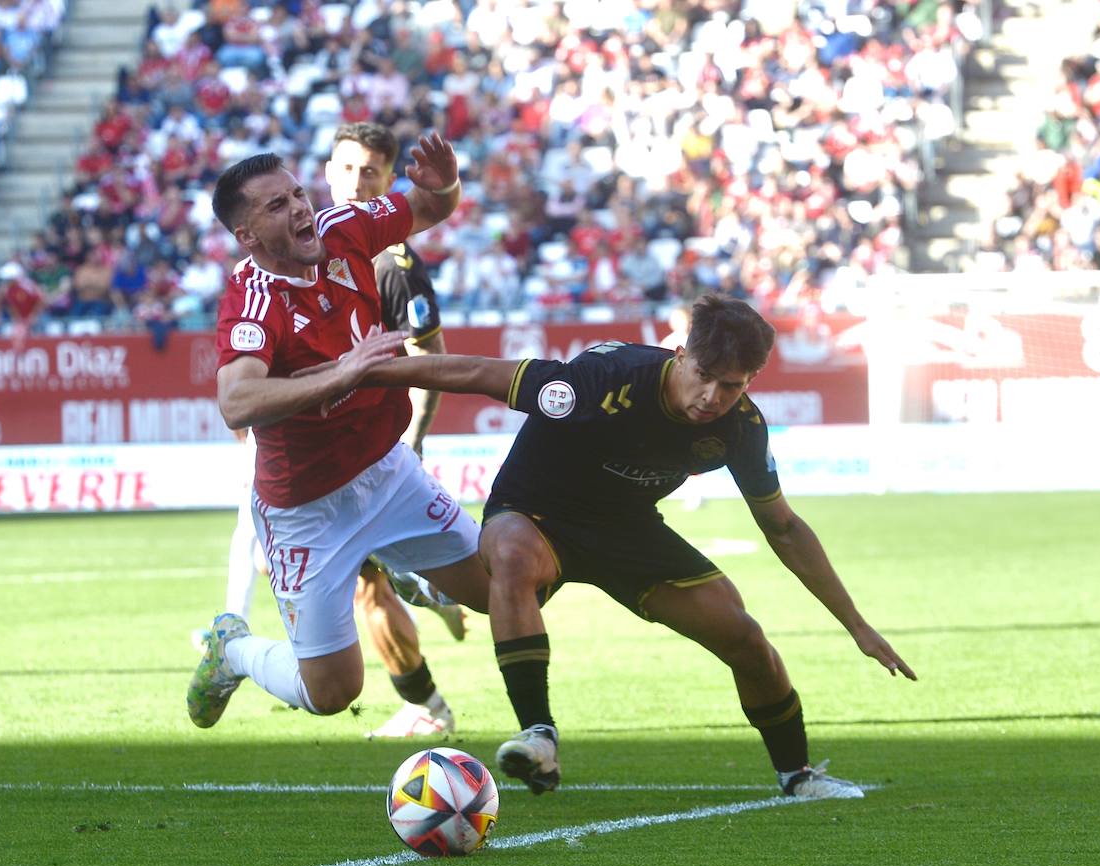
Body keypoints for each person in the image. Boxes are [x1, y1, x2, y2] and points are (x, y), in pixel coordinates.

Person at [300, 293, 916, 798]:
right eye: (703, 377)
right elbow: (476, 373)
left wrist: (856, 625)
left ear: (749, 382)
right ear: (681, 354)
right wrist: (361, 370)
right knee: (510, 559)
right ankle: (538, 736)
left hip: (626, 529)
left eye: (730, 386)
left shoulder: (740, 426)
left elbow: (783, 527)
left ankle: (799, 776)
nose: (711, 397)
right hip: (538, 512)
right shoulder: (606, 379)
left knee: (745, 638)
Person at [188, 136, 493, 730]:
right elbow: (237, 400)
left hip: (387, 471)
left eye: (297, 193)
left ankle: (503, 716)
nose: (301, 208)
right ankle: (233, 651)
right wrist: (342, 373)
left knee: (495, 590)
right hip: (306, 509)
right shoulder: (251, 299)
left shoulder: (344, 227)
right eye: (276, 207)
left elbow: (432, 206)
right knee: (331, 690)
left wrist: (446, 181)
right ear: (247, 236)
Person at [323, 121, 466, 739]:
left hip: (373, 455)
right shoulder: (313, 246)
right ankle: (434, 588)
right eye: (347, 168)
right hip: (331, 453)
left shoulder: (392, 260)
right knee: (369, 585)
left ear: (389, 181)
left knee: (365, 591)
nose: (356, 184)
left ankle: (426, 704)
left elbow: (427, 356)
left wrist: (410, 442)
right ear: (328, 170)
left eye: (371, 173)